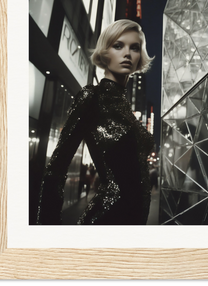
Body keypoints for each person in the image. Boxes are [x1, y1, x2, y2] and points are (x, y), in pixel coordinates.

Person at [36, 19, 155, 225]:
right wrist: (48, 233)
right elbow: (55, 170)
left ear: (139, 57)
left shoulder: (126, 108)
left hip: (134, 224)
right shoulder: (92, 98)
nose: (127, 53)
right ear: (105, 52)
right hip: (107, 220)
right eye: (118, 46)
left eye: (134, 48)